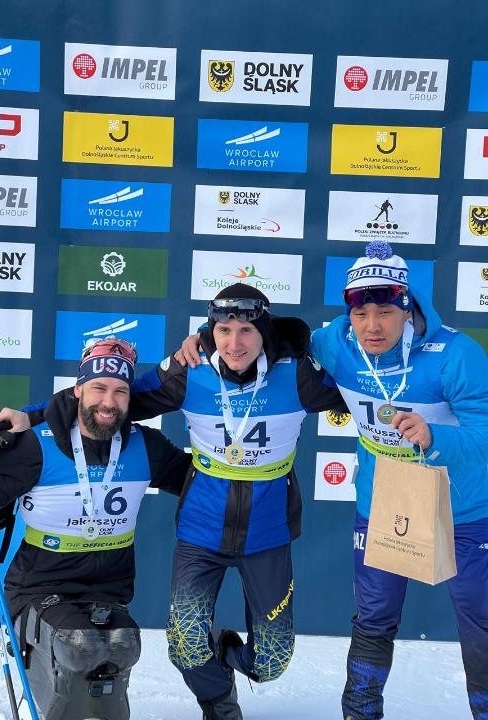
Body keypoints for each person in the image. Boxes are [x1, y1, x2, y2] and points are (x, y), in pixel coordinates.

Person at [0, 283, 347, 720]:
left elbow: (367, 383)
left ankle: (224, 650)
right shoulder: (189, 369)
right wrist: (32, 415)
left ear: (265, 331)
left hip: (267, 532)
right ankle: (218, 703)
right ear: (210, 330)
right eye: (224, 330)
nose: (234, 343)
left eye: (246, 331)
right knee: (185, 644)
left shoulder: (298, 376)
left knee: (271, 661)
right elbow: (110, 397)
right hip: (202, 529)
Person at [179, 242, 488, 720]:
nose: (372, 326)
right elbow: (270, 336)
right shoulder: (336, 343)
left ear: (408, 308)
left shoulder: (456, 353)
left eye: (385, 313)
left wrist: (436, 436)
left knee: (480, 625)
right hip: (386, 503)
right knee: (374, 618)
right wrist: (205, 338)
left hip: (463, 508)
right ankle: (360, 713)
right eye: (361, 314)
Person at [0, 338, 192, 720]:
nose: (109, 402)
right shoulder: (35, 446)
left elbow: (199, 484)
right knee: (80, 645)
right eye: (98, 388)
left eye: (120, 391)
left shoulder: (146, 446)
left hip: (108, 590)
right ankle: (41, 682)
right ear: (77, 390)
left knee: (123, 645)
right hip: (39, 588)